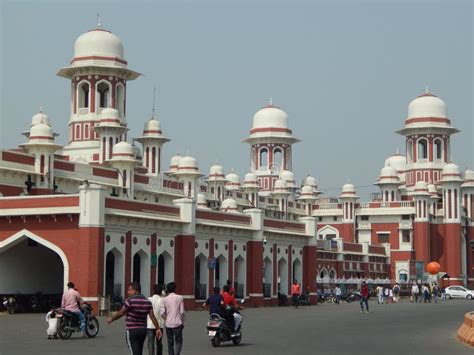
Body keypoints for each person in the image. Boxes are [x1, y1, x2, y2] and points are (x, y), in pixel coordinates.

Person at [108, 282, 162, 355]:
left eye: (129, 290)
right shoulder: (147, 302)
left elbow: (121, 312)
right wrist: (158, 328)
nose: (128, 292)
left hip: (132, 330)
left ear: (135, 291)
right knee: (139, 351)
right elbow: (152, 316)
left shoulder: (130, 301)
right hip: (143, 331)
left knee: (134, 352)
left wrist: (112, 319)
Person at [160, 282, 185, 355]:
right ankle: (177, 353)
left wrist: (166, 319)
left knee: (170, 341)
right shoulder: (179, 297)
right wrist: (182, 322)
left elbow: (162, 313)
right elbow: (182, 312)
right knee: (179, 341)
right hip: (177, 323)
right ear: (175, 289)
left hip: (168, 324)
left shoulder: (164, 299)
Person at [147, 284, 165, 355]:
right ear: (161, 291)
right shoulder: (162, 300)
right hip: (159, 324)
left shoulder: (148, 299)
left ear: (153, 291)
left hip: (150, 324)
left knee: (150, 342)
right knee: (159, 342)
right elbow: (163, 312)